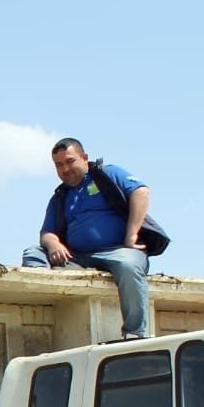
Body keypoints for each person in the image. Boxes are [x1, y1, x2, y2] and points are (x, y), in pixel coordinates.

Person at [22, 138, 152, 339]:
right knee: (33, 253)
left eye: (70, 161)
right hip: (78, 259)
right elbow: (46, 233)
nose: (65, 169)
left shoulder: (107, 174)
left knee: (129, 266)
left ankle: (135, 333)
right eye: (59, 165)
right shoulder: (60, 197)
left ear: (84, 158)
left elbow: (141, 192)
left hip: (119, 252)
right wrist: (54, 243)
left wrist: (132, 234)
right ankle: (45, 306)